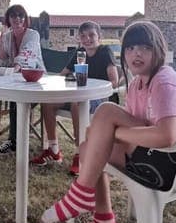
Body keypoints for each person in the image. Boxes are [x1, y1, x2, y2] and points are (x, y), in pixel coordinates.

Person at [40, 21, 176, 223]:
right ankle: (103, 222)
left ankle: (80, 196)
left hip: (175, 167)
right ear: (124, 54)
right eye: (130, 48)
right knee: (90, 145)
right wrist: (109, 135)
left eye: (145, 48)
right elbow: (132, 125)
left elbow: (167, 135)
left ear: (159, 51)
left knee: (105, 117)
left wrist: (113, 135)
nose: (137, 53)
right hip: (164, 158)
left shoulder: (164, 81)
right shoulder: (137, 84)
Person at [34, 21, 120, 171]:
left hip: (100, 98)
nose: (87, 39)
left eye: (91, 35)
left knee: (77, 103)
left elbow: (114, 81)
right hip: (77, 94)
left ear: (99, 36)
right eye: (83, 36)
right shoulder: (80, 53)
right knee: (47, 103)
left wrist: (94, 88)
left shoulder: (105, 52)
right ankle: (54, 150)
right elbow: (63, 75)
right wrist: (67, 80)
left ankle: (80, 152)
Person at [0, 3, 45, 154]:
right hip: (14, 81)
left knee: (17, 100)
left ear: (25, 18)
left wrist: (14, 69)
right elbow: (1, 61)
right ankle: (16, 139)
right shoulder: (6, 36)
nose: (17, 19)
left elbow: (26, 55)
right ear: (8, 19)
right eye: (13, 16)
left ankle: (14, 142)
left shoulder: (33, 35)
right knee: (15, 97)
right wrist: (0, 45)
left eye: (21, 16)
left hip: (36, 83)